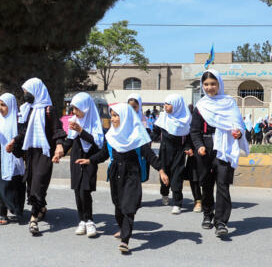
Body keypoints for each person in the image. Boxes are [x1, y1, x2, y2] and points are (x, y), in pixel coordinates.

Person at [76, 103, 168, 253]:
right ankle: (122, 228)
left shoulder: (137, 136)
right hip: (115, 173)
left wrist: (161, 170)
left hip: (132, 173)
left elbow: (150, 156)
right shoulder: (111, 135)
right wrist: (90, 160)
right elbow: (104, 154)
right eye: (112, 115)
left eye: (116, 115)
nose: (112, 119)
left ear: (125, 117)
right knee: (118, 206)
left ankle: (125, 240)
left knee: (128, 206)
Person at [190, 69, 249, 237]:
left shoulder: (229, 103)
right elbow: (194, 131)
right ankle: (207, 214)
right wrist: (199, 145)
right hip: (205, 150)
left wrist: (238, 134)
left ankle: (221, 222)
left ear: (219, 84)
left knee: (223, 185)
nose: (209, 87)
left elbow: (239, 126)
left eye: (213, 84)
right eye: (206, 84)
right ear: (202, 86)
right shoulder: (201, 106)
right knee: (206, 185)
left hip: (225, 148)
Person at [5, 77, 66, 235]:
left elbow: (57, 129)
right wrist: (14, 141)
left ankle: (33, 219)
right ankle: (41, 206)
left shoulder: (48, 110)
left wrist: (59, 146)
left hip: (45, 152)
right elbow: (24, 132)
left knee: (39, 181)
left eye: (28, 92)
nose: (25, 95)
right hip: (31, 152)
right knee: (32, 183)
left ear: (36, 91)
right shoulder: (28, 109)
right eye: (24, 92)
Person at [59, 92, 104, 237]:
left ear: (86, 108)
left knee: (86, 190)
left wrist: (81, 131)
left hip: (89, 159)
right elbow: (70, 140)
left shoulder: (95, 122)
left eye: (77, 109)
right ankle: (82, 221)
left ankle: (90, 220)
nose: (74, 112)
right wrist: (60, 152)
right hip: (76, 158)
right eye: (73, 108)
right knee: (77, 190)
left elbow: (97, 142)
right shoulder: (73, 120)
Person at [0, 93, 26, 225]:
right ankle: (3, 213)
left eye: (4, 105)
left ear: (11, 105)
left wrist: (14, 144)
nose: (1, 108)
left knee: (13, 183)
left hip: (13, 157)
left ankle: (16, 208)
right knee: (1, 184)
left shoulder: (18, 120)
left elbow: (22, 137)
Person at [150, 94, 192, 214]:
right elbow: (156, 132)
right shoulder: (163, 117)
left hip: (179, 152)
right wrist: (147, 140)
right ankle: (164, 194)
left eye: (168, 104)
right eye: (165, 104)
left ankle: (177, 203)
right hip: (164, 151)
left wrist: (188, 147)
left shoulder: (185, 119)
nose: (165, 106)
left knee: (177, 178)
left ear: (177, 106)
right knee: (164, 176)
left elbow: (188, 136)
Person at [184, 104, 203, 213]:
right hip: (194, 155)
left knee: (206, 179)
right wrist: (188, 148)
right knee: (194, 179)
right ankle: (198, 200)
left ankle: (206, 199)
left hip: (207, 153)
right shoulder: (191, 121)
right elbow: (188, 136)